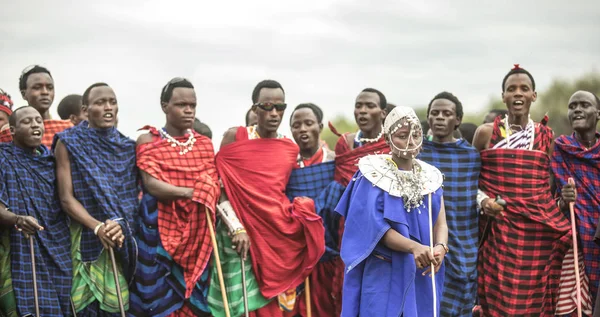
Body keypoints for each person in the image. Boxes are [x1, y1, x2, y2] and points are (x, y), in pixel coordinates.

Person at [472, 64, 589, 316]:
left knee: (533, 300)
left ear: (533, 95)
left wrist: (560, 203)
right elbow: (470, 185)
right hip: (498, 232)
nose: (518, 94)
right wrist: (484, 203)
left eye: (524, 89)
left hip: (535, 233)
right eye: (511, 89)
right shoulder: (485, 134)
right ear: (503, 96)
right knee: (495, 298)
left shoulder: (546, 136)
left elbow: (545, 191)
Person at [211, 79, 325, 317]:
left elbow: (288, 191)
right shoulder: (235, 137)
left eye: (280, 107)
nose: (274, 113)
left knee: (272, 308)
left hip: (276, 234)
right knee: (241, 305)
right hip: (238, 234)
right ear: (255, 109)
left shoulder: (288, 148)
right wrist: (236, 227)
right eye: (267, 107)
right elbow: (219, 188)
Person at [336, 106, 447, 316]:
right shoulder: (370, 176)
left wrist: (441, 246)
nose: (410, 142)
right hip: (384, 271)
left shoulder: (431, 177)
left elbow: (440, 221)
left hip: (423, 270)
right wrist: (414, 247)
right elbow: (375, 229)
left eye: (415, 135)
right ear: (387, 138)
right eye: (402, 136)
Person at [129, 78, 221, 316]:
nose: (188, 110)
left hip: (199, 236)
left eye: (193, 105)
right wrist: (192, 193)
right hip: (157, 235)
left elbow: (212, 186)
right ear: (164, 106)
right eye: (181, 104)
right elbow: (151, 184)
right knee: (159, 300)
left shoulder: (204, 145)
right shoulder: (148, 140)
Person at [54, 83, 138, 316]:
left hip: (117, 238)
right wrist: (97, 227)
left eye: (112, 102)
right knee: (81, 308)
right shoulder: (68, 142)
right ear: (86, 109)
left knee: (116, 307)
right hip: (82, 236)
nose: (108, 107)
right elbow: (65, 198)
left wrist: (117, 226)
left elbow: (130, 202)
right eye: (100, 103)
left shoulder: (127, 147)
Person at [0, 106, 72, 317]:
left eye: (38, 121)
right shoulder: (3, 159)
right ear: (12, 130)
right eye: (27, 122)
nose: (35, 125)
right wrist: (17, 218)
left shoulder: (53, 162)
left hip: (58, 246)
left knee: (62, 304)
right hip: (22, 246)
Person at [324, 88, 391, 315]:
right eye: (359, 105)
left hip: (385, 226)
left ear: (383, 112)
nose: (362, 111)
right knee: (351, 283)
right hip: (350, 226)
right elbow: (341, 185)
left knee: (380, 286)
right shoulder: (346, 143)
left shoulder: (393, 144)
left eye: (369, 106)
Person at [418, 92, 481, 316]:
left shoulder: (472, 156)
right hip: (427, 242)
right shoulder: (418, 153)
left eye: (447, 113)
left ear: (458, 120)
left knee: (462, 304)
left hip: (464, 243)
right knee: (429, 303)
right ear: (428, 118)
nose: (440, 118)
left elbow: (480, 195)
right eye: (435, 113)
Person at [551, 90, 600, 314]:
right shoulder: (559, 150)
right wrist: (563, 202)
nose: (577, 109)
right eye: (572, 106)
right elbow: (548, 204)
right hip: (574, 247)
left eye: (584, 105)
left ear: (597, 113)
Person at [286, 103, 336, 316]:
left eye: (308, 123)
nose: (303, 129)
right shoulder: (285, 166)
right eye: (296, 125)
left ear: (320, 126)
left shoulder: (335, 162)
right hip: (298, 251)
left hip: (332, 250)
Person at [18, 65, 73, 147]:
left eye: (50, 88)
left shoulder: (69, 129)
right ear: (24, 94)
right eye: (37, 88)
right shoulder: (13, 133)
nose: (45, 92)